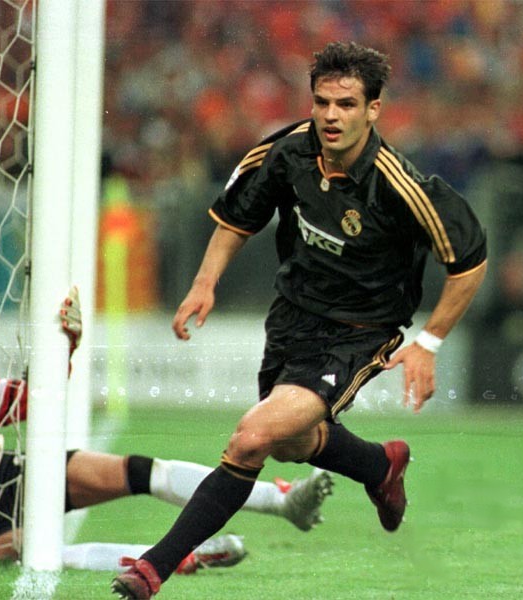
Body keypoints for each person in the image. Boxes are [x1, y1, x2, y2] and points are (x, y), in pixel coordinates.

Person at [112, 41, 487, 598]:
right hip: (292, 316)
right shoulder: (288, 151)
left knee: (253, 438)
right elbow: (238, 216)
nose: (331, 115)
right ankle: (379, 466)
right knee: (291, 443)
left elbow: (470, 261)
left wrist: (429, 342)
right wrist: (204, 282)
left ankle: (153, 568)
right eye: (322, 102)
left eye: (346, 104)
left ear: (373, 109)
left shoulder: (399, 186)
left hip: (359, 332)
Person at [0, 291, 333, 572]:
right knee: (42, 552)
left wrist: (64, 350)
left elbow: (32, 399)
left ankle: (282, 501)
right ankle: (184, 556)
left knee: (139, 470)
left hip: (7, 476)